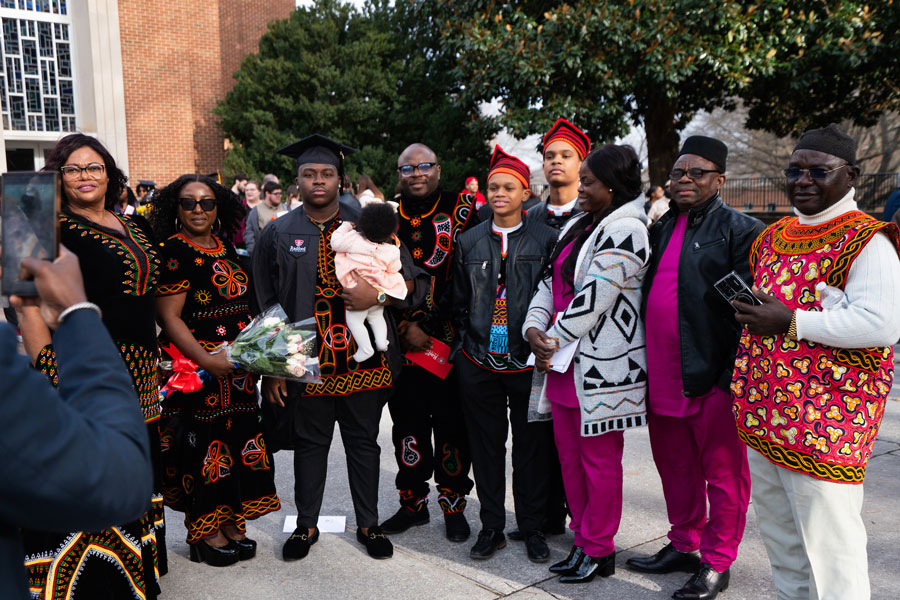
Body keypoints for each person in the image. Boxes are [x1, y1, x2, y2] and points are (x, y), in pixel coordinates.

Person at [730, 124, 900, 600]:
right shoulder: (774, 234)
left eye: (818, 171)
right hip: (763, 414)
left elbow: (883, 325)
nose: (803, 179)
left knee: (831, 554)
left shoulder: (869, 240)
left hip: (827, 421)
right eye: (795, 169)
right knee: (784, 546)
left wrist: (792, 322)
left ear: (851, 175)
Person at [252, 134, 427, 561]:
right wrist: (272, 366)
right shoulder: (278, 232)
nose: (318, 181)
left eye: (326, 173)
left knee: (363, 443)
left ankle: (368, 524)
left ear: (340, 179)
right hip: (306, 360)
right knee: (310, 444)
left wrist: (378, 298)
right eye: (309, 174)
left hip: (362, 361)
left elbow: (415, 284)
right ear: (297, 182)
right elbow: (264, 301)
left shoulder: (371, 222)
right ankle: (305, 526)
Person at [15, 132, 167, 599]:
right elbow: (26, 304)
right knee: (96, 466)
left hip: (142, 372)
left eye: (94, 167)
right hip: (86, 365)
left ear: (109, 173)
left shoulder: (132, 224)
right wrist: (50, 368)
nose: (85, 176)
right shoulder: (47, 224)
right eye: (74, 169)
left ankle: (137, 570)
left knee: (135, 462)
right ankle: (98, 580)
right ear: (59, 177)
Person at [627, 135, 764, 600]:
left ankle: (717, 561)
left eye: (696, 173)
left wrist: (730, 379)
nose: (684, 180)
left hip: (711, 378)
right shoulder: (661, 226)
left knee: (724, 476)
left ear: (719, 179)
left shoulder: (740, 229)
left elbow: (750, 312)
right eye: (677, 173)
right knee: (675, 468)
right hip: (663, 375)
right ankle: (684, 542)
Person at [524, 144, 650, 583]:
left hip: (600, 367)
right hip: (561, 364)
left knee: (599, 463)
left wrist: (550, 339)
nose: (582, 187)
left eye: (590, 182)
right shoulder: (579, 224)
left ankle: (600, 548)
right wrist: (532, 329)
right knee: (570, 461)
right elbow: (548, 280)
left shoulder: (629, 229)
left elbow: (595, 298)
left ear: (612, 188)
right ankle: (582, 539)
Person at [0, 248, 153, 600]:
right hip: (83, 380)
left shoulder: (133, 233)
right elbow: (118, 481)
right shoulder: (58, 247)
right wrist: (77, 314)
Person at [150, 174, 281, 567]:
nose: (198, 210)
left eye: (206, 203)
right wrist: (207, 361)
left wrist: (265, 357)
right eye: (188, 203)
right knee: (203, 448)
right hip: (198, 373)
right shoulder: (173, 251)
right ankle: (204, 530)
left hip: (239, 375)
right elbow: (170, 318)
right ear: (175, 207)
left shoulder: (225, 246)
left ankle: (231, 519)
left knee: (239, 443)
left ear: (219, 207)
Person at [451, 146, 557, 563]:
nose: (498, 193)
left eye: (508, 187)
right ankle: (491, 526)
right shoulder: (469, 239)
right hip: (478, 363)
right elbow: (459, 302)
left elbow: (554, 296)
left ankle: (531, 527)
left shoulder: (546, 238)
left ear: (524, 191)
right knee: (486, 448)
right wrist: (463, 349)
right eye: (493, 186)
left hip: (526, 364)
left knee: (530, 448)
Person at [379, 143, 476, 543]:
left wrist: (431, 328)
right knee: (407, 427)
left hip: (450, 342)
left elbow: (469, 275)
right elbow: (373, 275)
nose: (416, 173)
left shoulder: (464, 210)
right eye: (407, 167)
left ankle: (453, 504)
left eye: (424, 166)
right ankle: (412, 503)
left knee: (454, 427)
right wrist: (404, 328)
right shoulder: (384, 219)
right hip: (401, 345)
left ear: (439, 169)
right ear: (399, 173)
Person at [331, 202, 408, 363]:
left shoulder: (353, 239)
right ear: (390, 232)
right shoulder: (392, 251)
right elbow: (395, 268)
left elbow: (335, 243)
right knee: (377, 317)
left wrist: (344, 227)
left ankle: (366, 348)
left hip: (356, 290)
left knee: (354, 321)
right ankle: (381, 342)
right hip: (379, 290)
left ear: (362, 226)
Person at [527, 118, 590, 230]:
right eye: (550, 157)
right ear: (543, 166)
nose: (556, 161)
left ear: (581, 165)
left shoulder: (591, 214)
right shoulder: (529, 218)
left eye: (565, 156)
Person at [244, 180, 287, 256]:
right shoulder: (256, 210)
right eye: (276, 194)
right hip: (264, 254)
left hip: (283, 253)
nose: (279, 196)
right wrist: (253, 252)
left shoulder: (285, 208)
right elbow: (249, 233)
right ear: (267, 194)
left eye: (280, 193)